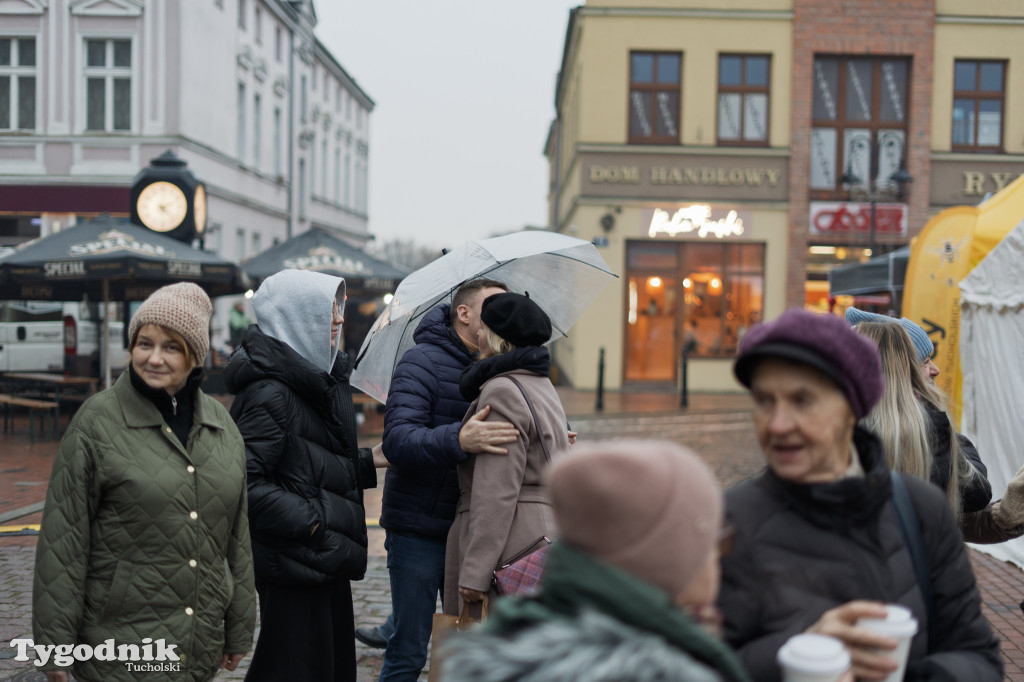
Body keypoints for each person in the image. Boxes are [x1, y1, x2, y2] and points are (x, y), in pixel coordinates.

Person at [719, 308, 1002, 682]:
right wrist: (791, 654)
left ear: (853, 406)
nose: (778, 424)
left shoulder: (920, 509)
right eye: (764, 401)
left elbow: (978, 657)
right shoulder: (729, 520)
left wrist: (903, 673)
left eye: (803, 400)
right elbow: (696, 664)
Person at [33, 282, 255, 682]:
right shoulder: (96, 422)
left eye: (171, 347)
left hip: (197, 642)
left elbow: (236, 537)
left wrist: (239, 627)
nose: (153, 358)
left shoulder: (222, 426)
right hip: (120, 645)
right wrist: (55, 647)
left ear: (195, 356)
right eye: (144, 344)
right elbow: (63, 542)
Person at [441, 440, 752, 682]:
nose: (719, 558)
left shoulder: (513, 643)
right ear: (669, 563)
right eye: (716, 542)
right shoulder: (671, 673)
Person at [225, 269, 385, 682]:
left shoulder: (313, 378)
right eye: (326, 308)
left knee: (324, 667)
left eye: (338, 307)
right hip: (295, 559)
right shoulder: (271, 391)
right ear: (295, 316)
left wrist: (368, 462)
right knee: (294, 669)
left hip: (319, 557)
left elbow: (306, 465)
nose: (339, 318)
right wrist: (313, 524)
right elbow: (242, 484)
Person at [371, 278, 519, 682]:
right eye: (492, 305)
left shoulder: (499, 365)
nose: (502, 313)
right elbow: (398, 440)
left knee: (468, 647)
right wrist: (459, 439)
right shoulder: (420, 362)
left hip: (473, 531)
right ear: (463, 313)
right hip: (420, 528)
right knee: (409, 648)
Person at [443, 292, 569, 616]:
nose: (478, 333)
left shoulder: (502, 390)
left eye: (484, 327)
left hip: (510, 545)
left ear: (497, 337)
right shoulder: (541, 383)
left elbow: (496, 490)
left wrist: (476, 572)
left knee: (487, 637)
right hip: (541, 533)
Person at [854, 320, 991, 521]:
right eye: (925, 361)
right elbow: (978, 492)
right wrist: (949, 435)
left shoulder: (842, 427)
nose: (935, 370)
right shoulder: (930, 430)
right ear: (904, 370)